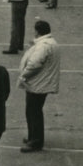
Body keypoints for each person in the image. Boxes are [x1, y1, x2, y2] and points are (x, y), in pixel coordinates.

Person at [17, 20, 60, 153]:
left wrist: (24, 76)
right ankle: (33, 137)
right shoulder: (51, 43)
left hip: (38, 83)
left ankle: (35, 141)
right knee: (34, 111)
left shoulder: (43, 46)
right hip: (43, 82)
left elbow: (35, 64)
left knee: (33, 111)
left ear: (38, 31)